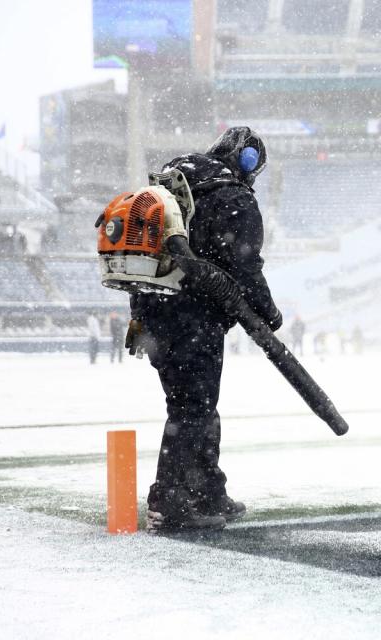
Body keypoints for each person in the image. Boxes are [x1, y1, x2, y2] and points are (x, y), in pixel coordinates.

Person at [127, 127, 282, 532]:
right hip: (193, 318)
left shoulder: (175, 184)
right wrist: (271, 313)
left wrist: (140, 316)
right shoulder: (232, 196)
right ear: (248, 163)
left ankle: (208, 491)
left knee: (193, 406)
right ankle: (171, 501)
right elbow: (246, 267)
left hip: (153, 310)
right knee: (193, 408)